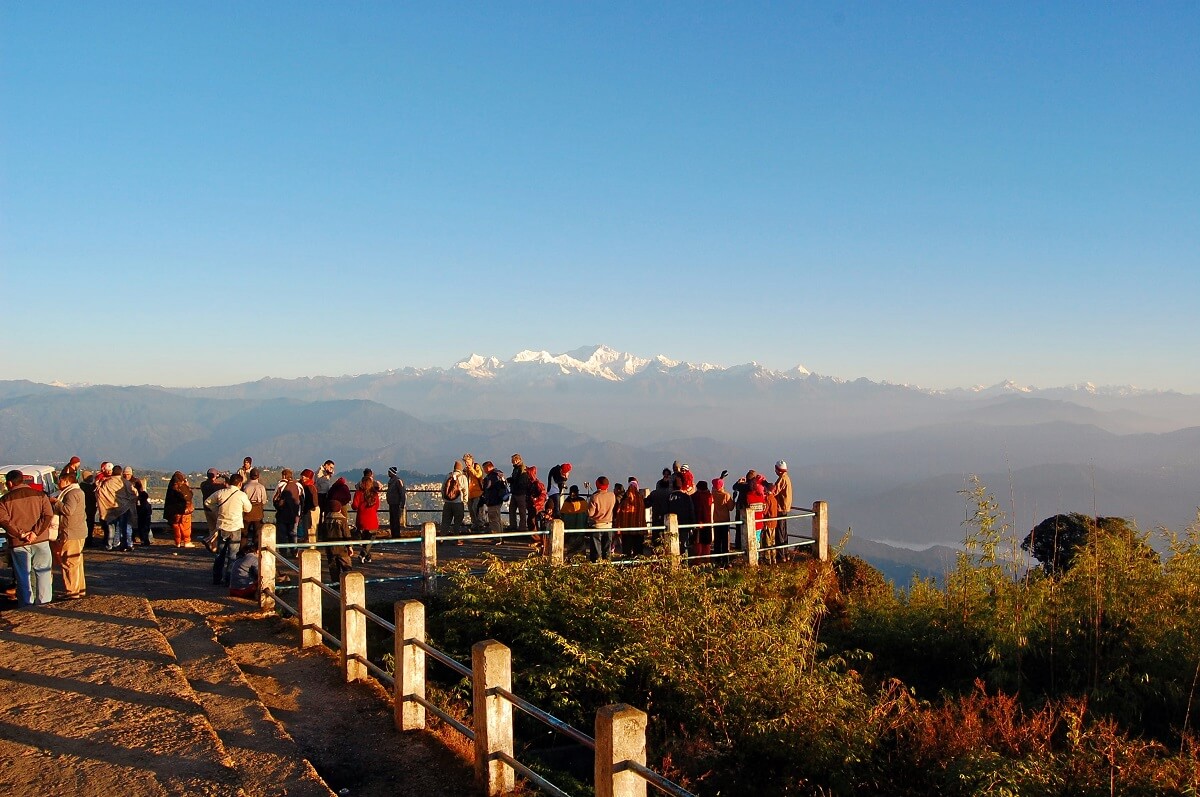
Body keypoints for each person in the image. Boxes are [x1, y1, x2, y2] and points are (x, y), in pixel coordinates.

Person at [0, 470, 55, 606]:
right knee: (43, 573)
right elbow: (48, 515)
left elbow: (4, 521)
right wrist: (35, 533)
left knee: (23, 575)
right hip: (41, 540)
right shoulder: (40, 495)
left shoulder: (4, 500)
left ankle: (26, 605)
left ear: (10, 483)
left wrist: (21, 534)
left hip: (19, 543)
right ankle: (44, 603)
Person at [52, 470, 88, 599]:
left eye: (60, 480)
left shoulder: (71, 493)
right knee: (76, 562)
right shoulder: (79, 492)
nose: (58, 483)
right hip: (79, 531)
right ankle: (79, 589)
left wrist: (55, 502)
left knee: (69, 562)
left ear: (67, 481)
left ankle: (71, 591)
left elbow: (68, 510)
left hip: (71, 532)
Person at [205, 472, 252, 557]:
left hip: (222, 525)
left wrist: (216, 510)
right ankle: (230, 570)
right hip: (235, 525)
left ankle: (217, 569)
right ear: (240, 483)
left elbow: (207, 502)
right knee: (233, 553)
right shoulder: (242, 495)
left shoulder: (220, 492)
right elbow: (248, 509)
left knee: (220, 552)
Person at [323, 476, 353, 582]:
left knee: (333, 567)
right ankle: (348, 582)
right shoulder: (342, 520)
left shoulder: (326, 520)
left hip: (330, 548)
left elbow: (323, 534)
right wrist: (349, 547)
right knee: (346, 566)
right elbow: (346, 533)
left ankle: (335, 583)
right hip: (342, 549)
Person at [352, 469, 381, 564]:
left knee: (365, 540)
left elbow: (355, 506)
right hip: (372, 520)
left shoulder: (358, 493)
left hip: (361, 520)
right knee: (370, 540)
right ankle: (363, 554)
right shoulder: (374, 494)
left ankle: (368, 557)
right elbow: (377, 506)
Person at [586, 476, 616, 561]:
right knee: (607, 550)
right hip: (608, 526)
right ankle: (607, 567)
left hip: (597, 526)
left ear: (597, 484)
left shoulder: (595, 497)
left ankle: (597, 568)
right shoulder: (612, 496)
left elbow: (590, 513)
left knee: (596, 551)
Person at [614, 479, 646, 557]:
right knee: (638, 550)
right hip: (638, 530)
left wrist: (618, 527)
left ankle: (626, 565)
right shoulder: (640, 500)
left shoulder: (624, 501)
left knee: (626, 550)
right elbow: (642, 515)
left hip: (626, 530)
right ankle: (638, 565)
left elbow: (619, 513)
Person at [272, 469, 303, 545]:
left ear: (284, 476)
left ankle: (283, 552)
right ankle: (294, 551)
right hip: (295, 514)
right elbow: (303, 499)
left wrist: (278, 508)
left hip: (282, 514)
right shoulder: (298, 485)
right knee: (293, 533)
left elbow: (274, 499)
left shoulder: (281, 485)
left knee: (282, 534)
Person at [164, 471, 195, 547]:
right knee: (185, 526)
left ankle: (178, 542)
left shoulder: (171, 487)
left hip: (174, 510)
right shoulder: (182, 487)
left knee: (176, 526)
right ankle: (186, 541)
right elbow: (189, 496)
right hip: (184, 510)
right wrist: (187, 486)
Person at [667, 474, 696, 551]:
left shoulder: (669, 497)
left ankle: (675, 560)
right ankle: (684, 561)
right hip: (685, 525)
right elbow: (691, 511)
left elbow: (666, 511)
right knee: (684, 544)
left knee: (673, 545)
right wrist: (693, 525)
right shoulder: (686, 497)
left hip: (672, 525)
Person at [441, 461, 468, 542]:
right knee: (458, 521)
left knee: (445, 520)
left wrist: (444, 498)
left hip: (447, 503)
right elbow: (465, 490)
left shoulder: (448, 475)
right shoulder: (462, 477)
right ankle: (456, 538)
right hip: (458, 503)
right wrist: (465, 501)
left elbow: (443, 489)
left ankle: (442, 538)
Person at [200, 468, 225, 551]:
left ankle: (213, 546)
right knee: (219, 527)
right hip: (215, 508)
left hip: (206, 508)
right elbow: (228, 485)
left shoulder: (203, 484)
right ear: (215, 475)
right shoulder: (218, 486)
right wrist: (223, 476)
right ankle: (209, 539)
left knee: (211, 528)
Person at [772, 460, 793, 555]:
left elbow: (774, 491)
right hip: (785, 507)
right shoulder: (786, 478)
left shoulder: (782, 479)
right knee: (784, 530)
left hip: (780, 508)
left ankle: (781, 554)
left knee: (780, 531)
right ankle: (786, 552)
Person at [480, 461, 507, 535]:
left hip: (493, 500)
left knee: (493, 520)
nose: (484, 471)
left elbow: (488, 488)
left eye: (484, 469)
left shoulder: (492, 476)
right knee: (497, 519)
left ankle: (497, 537)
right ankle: (500, 536)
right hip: (497, 500)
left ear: (488, 468)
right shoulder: (498, 475)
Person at [690, 481, 715, 559]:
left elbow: (697, 509)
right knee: (707, 542)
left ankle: (697, 560)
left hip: (698, 522)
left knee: (698, 542)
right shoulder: (710, 496)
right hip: (708, 522)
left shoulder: (695, 497)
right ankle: (707, 560)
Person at [242, 468, 267, 544]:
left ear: (250, 476)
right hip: (258, 511)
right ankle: (256, 548)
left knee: (244, 532)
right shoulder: (261, 487)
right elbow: (264, 500)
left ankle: (242, 548)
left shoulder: (246, 487)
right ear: (258, 476)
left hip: (247, 510)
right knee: (257, 532)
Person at [712, 477, 734, 561]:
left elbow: (714, 488)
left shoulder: (713, 494)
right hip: (724, 520)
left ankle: (717, 560)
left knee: (717, 541)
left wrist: (720, 478)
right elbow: (731, 507)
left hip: (716, 520)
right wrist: (734, 499)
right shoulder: (726, 495)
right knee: (725, 542)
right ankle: (725, 560)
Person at [462, 454, 484, 531]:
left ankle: (480, 524)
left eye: (468, 461)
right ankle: (474, 523)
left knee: (476, 508)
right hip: (469, 493)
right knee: (471, 509)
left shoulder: (476, 467)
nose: (467, 463)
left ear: (472, 460)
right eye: (465, 462)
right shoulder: (465, 470)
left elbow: (479, 475)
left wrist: (471, 469)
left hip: (477, 492)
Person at [508, 454, 530, 532]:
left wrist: (512, 481)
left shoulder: (522, 470)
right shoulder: (517, 469)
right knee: (512, 509)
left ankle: (522, 527)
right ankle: (514, 525)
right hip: (516, 492)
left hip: (520, 493)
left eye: (513, 461)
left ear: (517, 460)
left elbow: (522, 482)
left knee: (521, 511)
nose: (512, 463)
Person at [298, 468, 320, 544]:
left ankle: (312, 545)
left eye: (305, 476)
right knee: (310, 527)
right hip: (310, 508)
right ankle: (311, 544)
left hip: (311, 509)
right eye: (302, 476)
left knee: (311, 528)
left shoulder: (309, 487)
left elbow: (313, 500)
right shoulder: (309, 486)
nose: (303, 477)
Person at [386, 467, 406, 536]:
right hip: (391, 503)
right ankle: (393, 534)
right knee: (392, 519)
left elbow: (402, 492)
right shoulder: (391, 481)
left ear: (392, 472)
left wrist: (402, 504)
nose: (388, 473)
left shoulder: (397, 481)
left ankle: (396, 534)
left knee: (396, 520)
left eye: (389, 472)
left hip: (396, 503)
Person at [134, 477, 154, 546]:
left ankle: (144, 541)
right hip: (147, 518)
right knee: (146, 529)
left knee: (142, 530)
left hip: (142, 518)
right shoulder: (147, 504)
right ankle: (147, 540)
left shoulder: (142, 505)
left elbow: (141, 511)